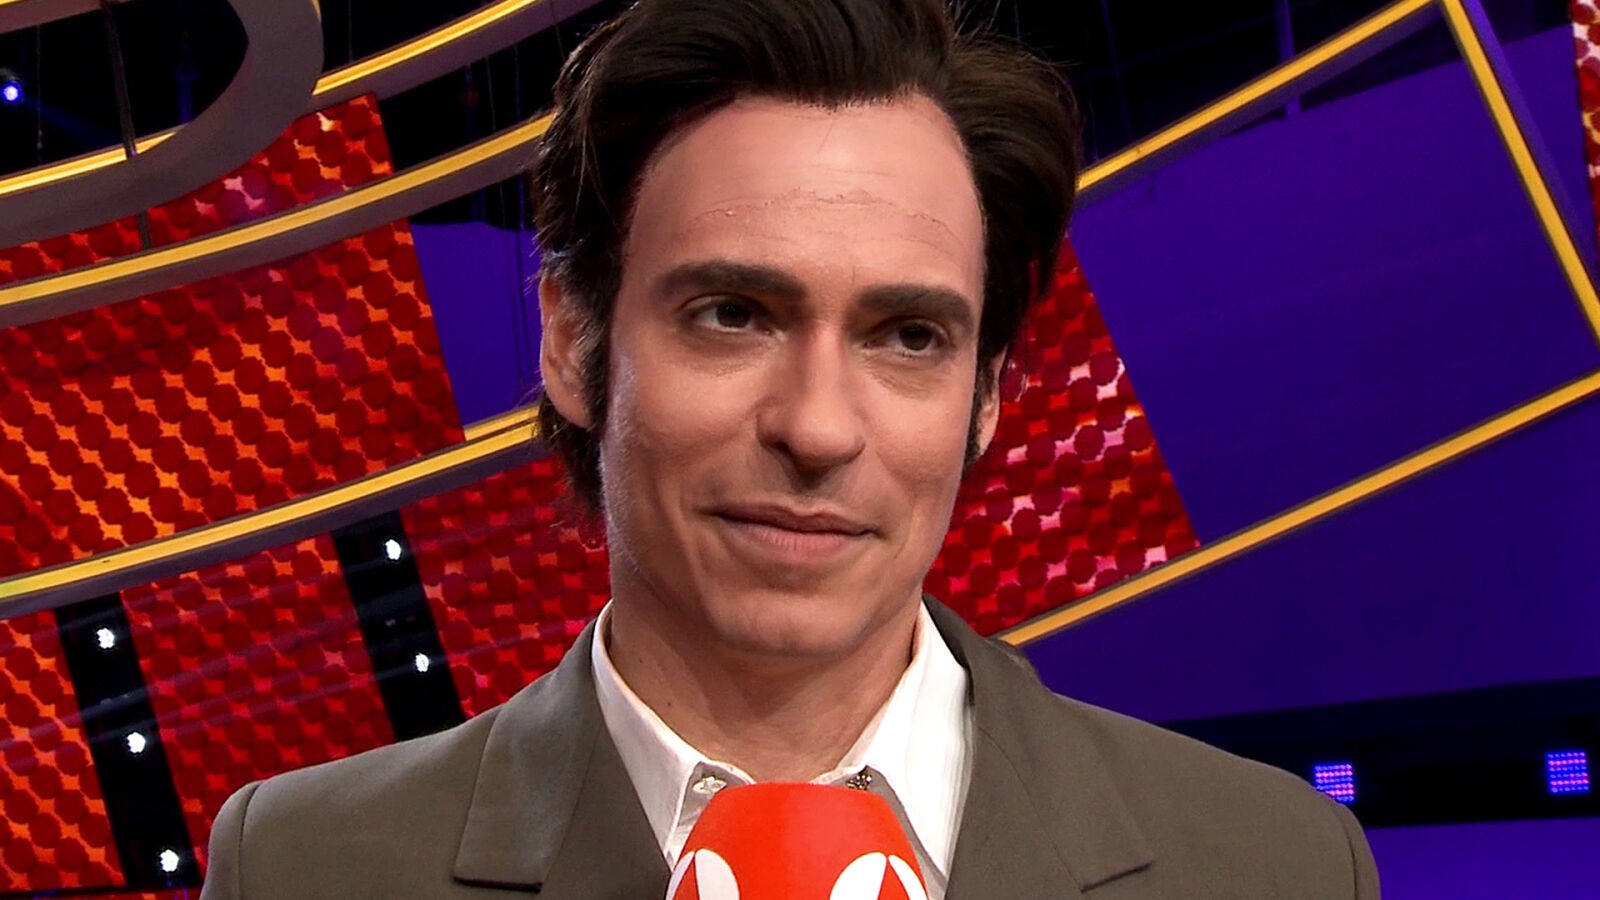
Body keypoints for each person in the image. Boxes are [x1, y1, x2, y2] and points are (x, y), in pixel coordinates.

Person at [200, 0, 1380, 896]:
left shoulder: (1271, 865)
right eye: (733, 316)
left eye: (908, 336)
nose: (816, 426)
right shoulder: (305, 868)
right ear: (570, 341)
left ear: (985, 395)